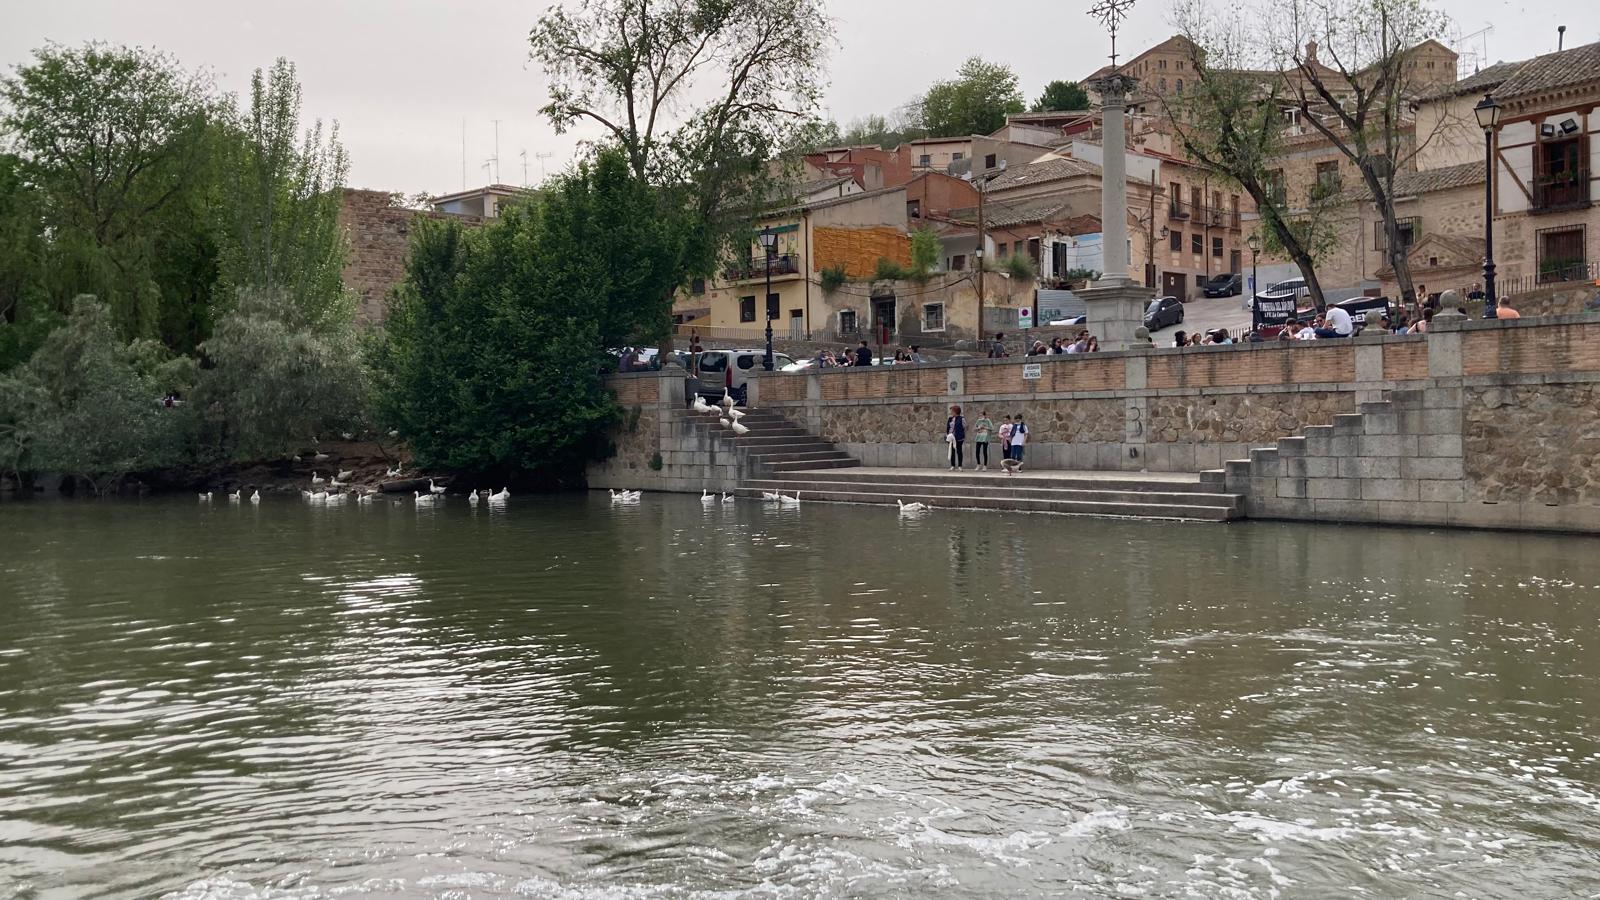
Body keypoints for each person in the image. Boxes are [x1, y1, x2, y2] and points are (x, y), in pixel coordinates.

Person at [946, 405, 966, 470]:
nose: (951, 412)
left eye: (952, 411)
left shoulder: (961, 418)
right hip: (951, 437)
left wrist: (960, 433)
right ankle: (952, 465)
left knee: (959, 451)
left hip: (959, 437)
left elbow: (964, 427)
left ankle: (960, 465)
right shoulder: (950, 419)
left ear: (956, 411)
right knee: (952, 451)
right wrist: (948, 434)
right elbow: (948, 427)